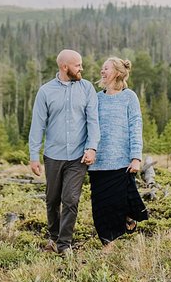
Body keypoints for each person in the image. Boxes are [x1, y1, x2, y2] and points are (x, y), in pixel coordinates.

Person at [28, 49, 99, 255]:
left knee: (71, 199)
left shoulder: (87, 89)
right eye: (78, 65)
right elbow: (37, 125)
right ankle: (53, 236)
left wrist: (92, 147)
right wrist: (34, 156)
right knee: (52, 199)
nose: (81, 68)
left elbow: (93, 121)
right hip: (53, 155)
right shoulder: (46, 91)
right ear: (64, 67)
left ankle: (64, 243)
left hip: (78, 157)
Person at [87, 56, 149, 245]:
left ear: (118, 73)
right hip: (98, 164)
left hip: (122, 162)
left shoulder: (129, 97)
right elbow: (89, 127)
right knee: (100, 208)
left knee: (118, 203)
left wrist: (136, 157)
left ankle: (116, 235)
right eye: (102, 68)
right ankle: (108, 242)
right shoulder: (96, 98)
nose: (102, 71)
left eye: (106, 68)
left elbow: (135, 126)